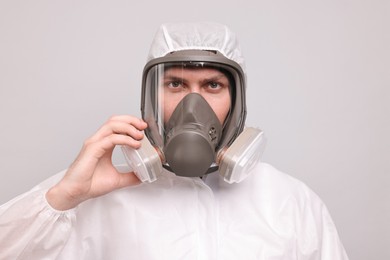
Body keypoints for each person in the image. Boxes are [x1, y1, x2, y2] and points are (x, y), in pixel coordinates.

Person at [0, 22, 349, 259]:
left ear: (237, 102)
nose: (192, 106)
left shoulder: (291, 203)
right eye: (175, 85)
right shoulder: (94, 195)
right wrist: (63, 198)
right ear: (151, 99)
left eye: (213, 85)